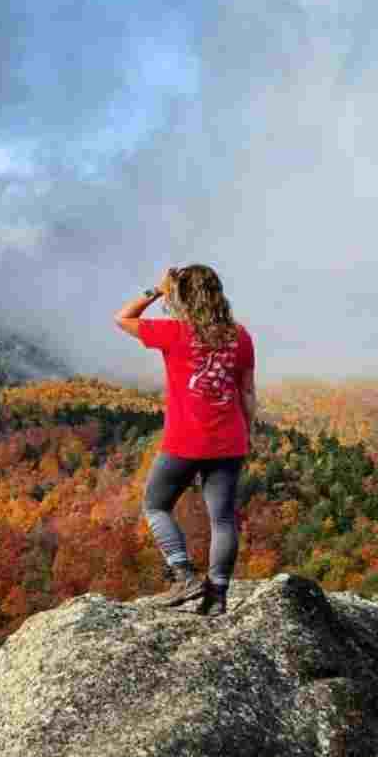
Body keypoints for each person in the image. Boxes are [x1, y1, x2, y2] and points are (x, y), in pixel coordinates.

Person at [113, 264, 256, 615]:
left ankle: (184, 575)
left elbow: (122, 318)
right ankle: (217, 597)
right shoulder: (240, 336)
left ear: (184, 297)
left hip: (184, 441)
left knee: (156, 505)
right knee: (222, 520)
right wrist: (245, 435)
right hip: (229, 440)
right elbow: (247, 393)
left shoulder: (175, 332)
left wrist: (158, 290)